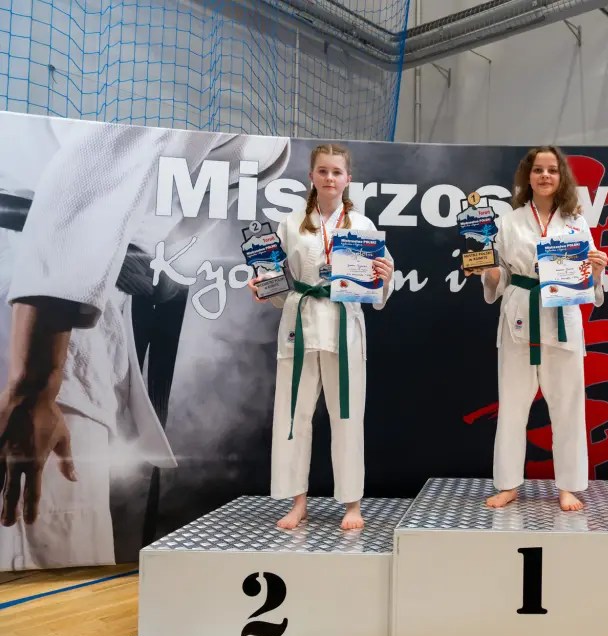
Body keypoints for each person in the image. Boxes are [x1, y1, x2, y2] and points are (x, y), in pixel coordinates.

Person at [0, 112, 289, 569]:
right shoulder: (177, 98)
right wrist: (35, 381)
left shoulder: (249, 126)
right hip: (39, 304)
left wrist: (150, 266)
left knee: (58, 529)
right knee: (44, 536)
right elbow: (92, 178)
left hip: (67, 297)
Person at [248, 143, 394, 531]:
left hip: (344, 325)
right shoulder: (291, 223)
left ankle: (352, 503)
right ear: (311, 176)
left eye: (337, 172)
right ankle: (298, 501)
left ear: (348, 179)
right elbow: (277, 283)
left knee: (348, 415)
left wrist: (384, 277)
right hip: (300, 323)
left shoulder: (362, 227)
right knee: (293, 414)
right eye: (323, 171)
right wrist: (264, 286)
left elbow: (379, 288)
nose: (330, 178)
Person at [467, 145, 608, 512]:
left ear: (562, 177)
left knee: (568, 405)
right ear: (527, 177)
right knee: (513, 405)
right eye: (538, 170)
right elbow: (500, 275)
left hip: (562, 316)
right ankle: (508, 484)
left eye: (552, 170)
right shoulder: (510, 221)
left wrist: (596, 269)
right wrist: (488, 272)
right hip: (520, 313)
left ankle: (569, 486)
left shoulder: (576, 222)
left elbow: (589, 280)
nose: (545, 176)